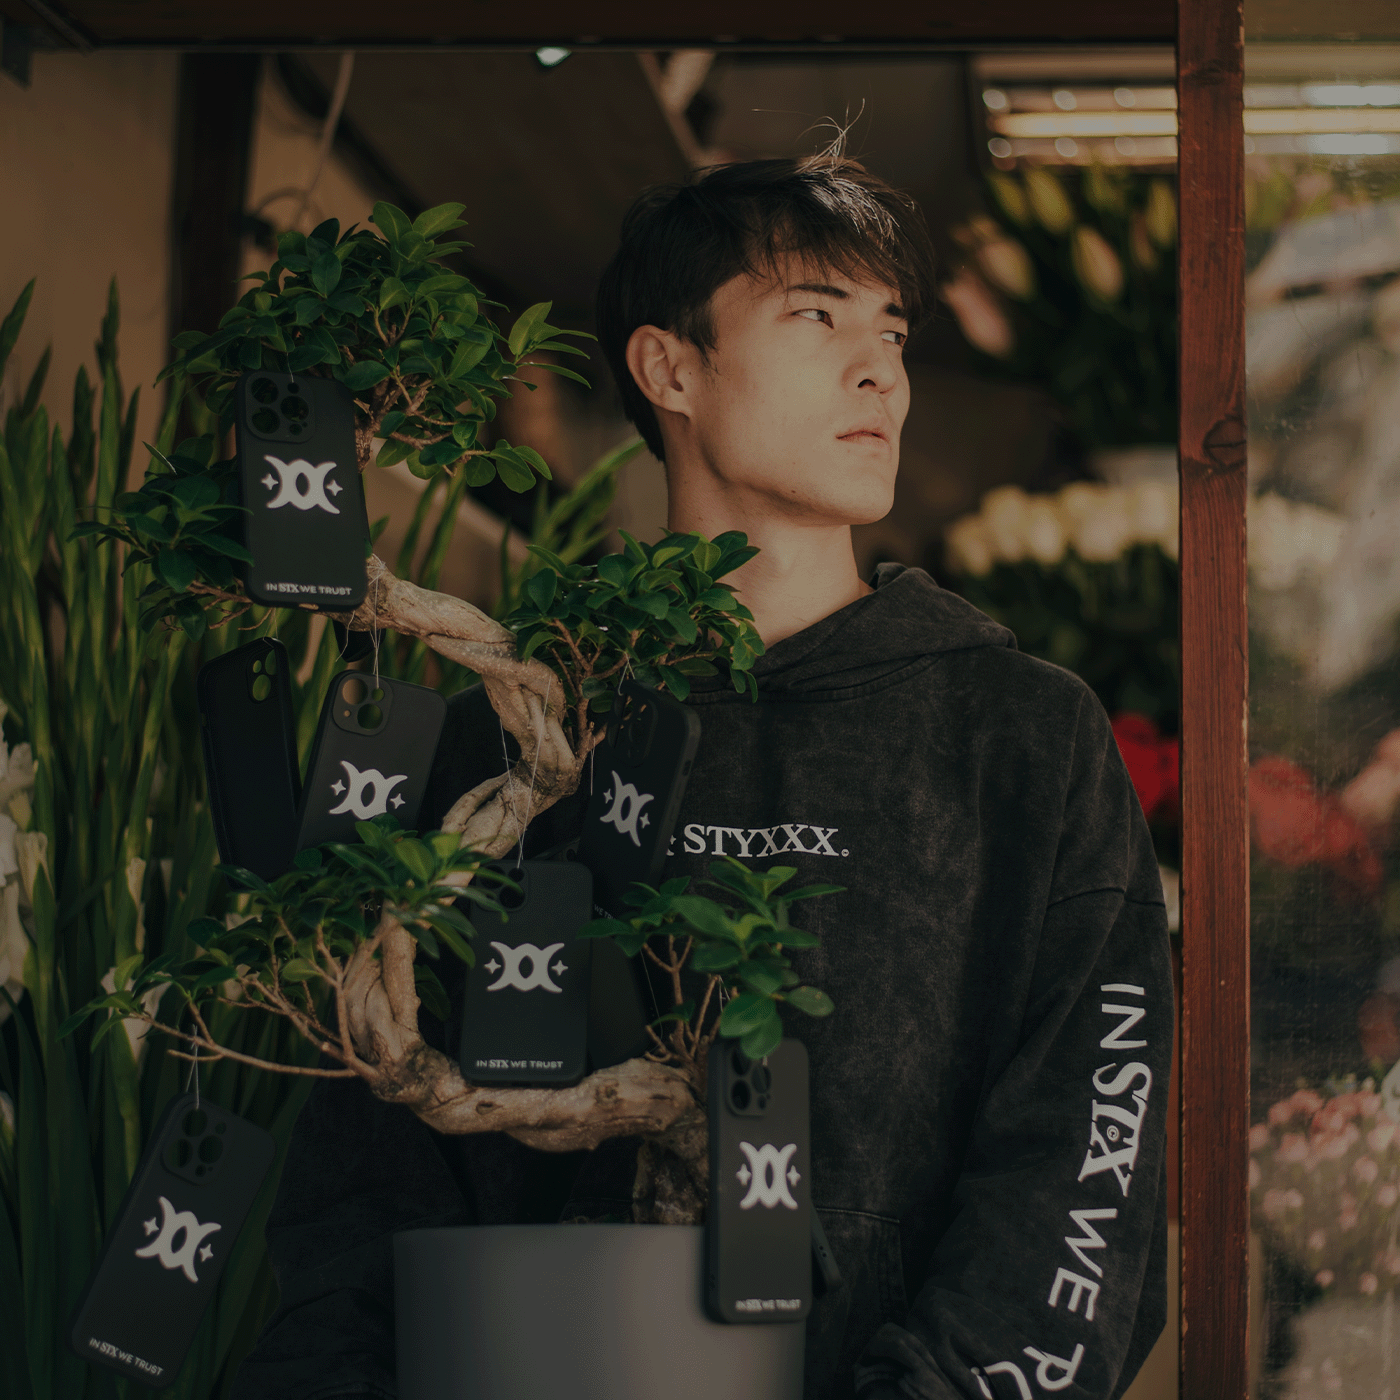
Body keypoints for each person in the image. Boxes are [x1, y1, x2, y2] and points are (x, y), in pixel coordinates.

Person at [236, 155, 1172, 1400]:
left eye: (888, 328)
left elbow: (1084, 1153)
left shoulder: (1020, 737)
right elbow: (359, 1168)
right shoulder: (504, 740)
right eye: (815, 317)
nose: (878, 369)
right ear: (667, 369)